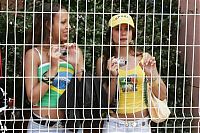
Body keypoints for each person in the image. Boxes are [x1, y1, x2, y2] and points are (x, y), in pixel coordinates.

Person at [96, 13, 167, 132]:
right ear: (110, 34)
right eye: (118, 29)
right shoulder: (103, 62)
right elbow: (104, 103)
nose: (123, 33)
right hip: (114, 125)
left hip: (141, 125)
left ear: (132, 34)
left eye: (127, 29)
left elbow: (162, 95)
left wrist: (150, 74)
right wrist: (113, 77)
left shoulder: (144, 58)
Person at [25, 3, 84, 132]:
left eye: (68, 22)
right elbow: (32, 98)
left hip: (71, 126)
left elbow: (85, 95)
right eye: (63, 22)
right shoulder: (34, 55)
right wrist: (53, 68)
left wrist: (77, 67)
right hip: (42, 127)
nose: (68, 27)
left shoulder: (75, 51)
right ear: (48, 25)